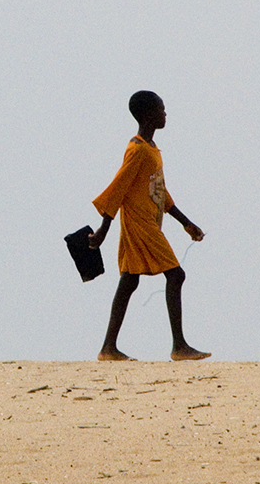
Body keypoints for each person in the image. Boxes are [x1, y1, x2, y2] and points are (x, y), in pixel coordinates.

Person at [88, 90, 211, 362]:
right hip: (139, 224)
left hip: (149, 222)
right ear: (147, 114)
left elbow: (160, 192)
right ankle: (179, 346)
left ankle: (108, 348)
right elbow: (117, 188)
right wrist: (103, 230)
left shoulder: (152, 150)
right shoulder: (138, 150)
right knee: (176, 275)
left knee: (129, 280)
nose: (165, 114)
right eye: (161, 109)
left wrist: (186, 223)